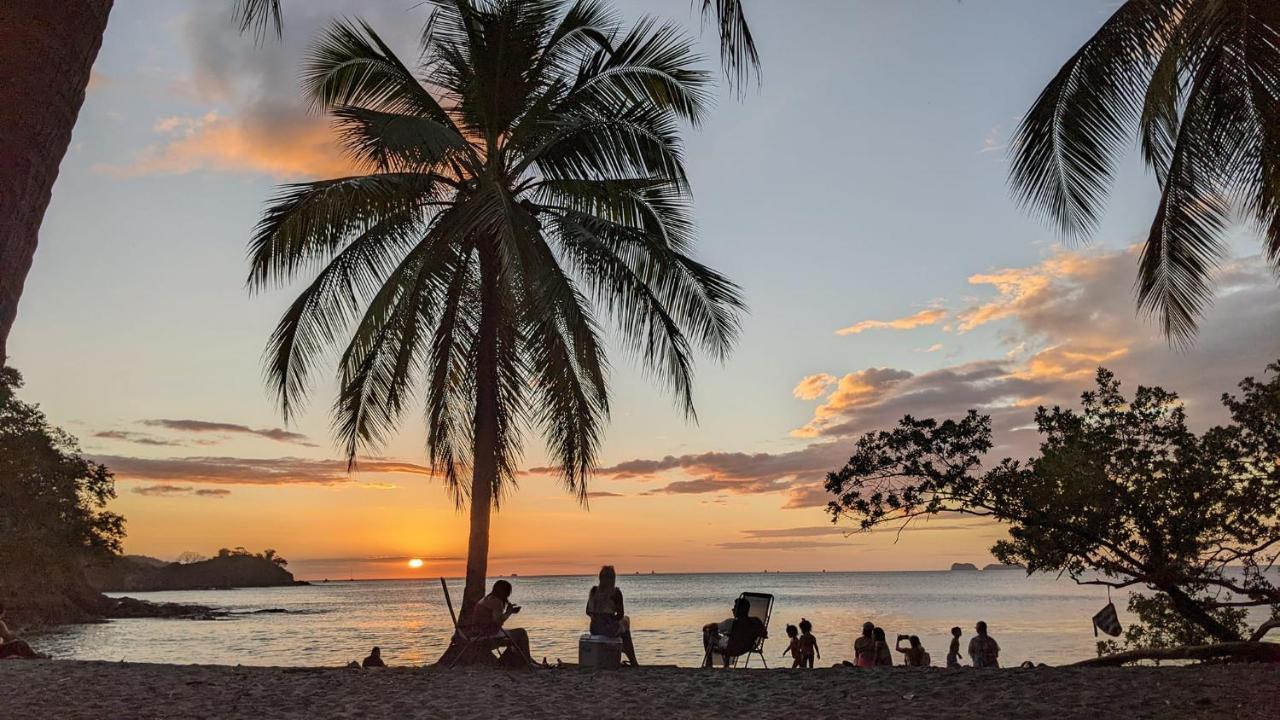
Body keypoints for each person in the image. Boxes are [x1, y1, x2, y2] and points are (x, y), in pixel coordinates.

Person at [585, 565, 639, 666]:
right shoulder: (615, 593)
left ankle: (622, 649)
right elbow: (620, 614)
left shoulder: (593, 591)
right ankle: (633, 660)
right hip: (608, 628)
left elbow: (587, 611)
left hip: (594, 628)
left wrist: (596, 616)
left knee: (623, 627)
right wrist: (611, 618)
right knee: (626, 623)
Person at [473, 580, 532, 667]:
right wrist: (509, 612)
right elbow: (498, 621)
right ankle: (527, 663)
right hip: (487, 634)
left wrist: (508, 612)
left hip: (480, 631)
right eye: (508, 592)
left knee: (515, 635)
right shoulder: (496, 602)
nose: (508, 595)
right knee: (521, 633)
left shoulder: (487, 598)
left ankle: (519, 661)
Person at [701, 597, 765, 668]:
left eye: (735, 607)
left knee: (708, 633)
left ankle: (709, 664)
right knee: (729, 638)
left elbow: (712, 626)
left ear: (740, 610)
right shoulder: (756, 621)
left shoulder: (732, 623)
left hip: (731, 648)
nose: (733, 610)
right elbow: (764, 634)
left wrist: (706, 625)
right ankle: (726, 665)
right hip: (748, 647)